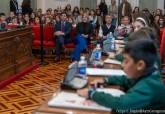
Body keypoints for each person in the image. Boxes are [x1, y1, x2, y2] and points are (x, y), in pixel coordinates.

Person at [77, 38, 165, 111]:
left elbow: (121, 103)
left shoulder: (149, 86)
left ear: (140, 65)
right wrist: (106, 80)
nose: (122, 65)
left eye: (126, 61)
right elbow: (126, 80)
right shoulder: (147, 74)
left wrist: (92, 94)